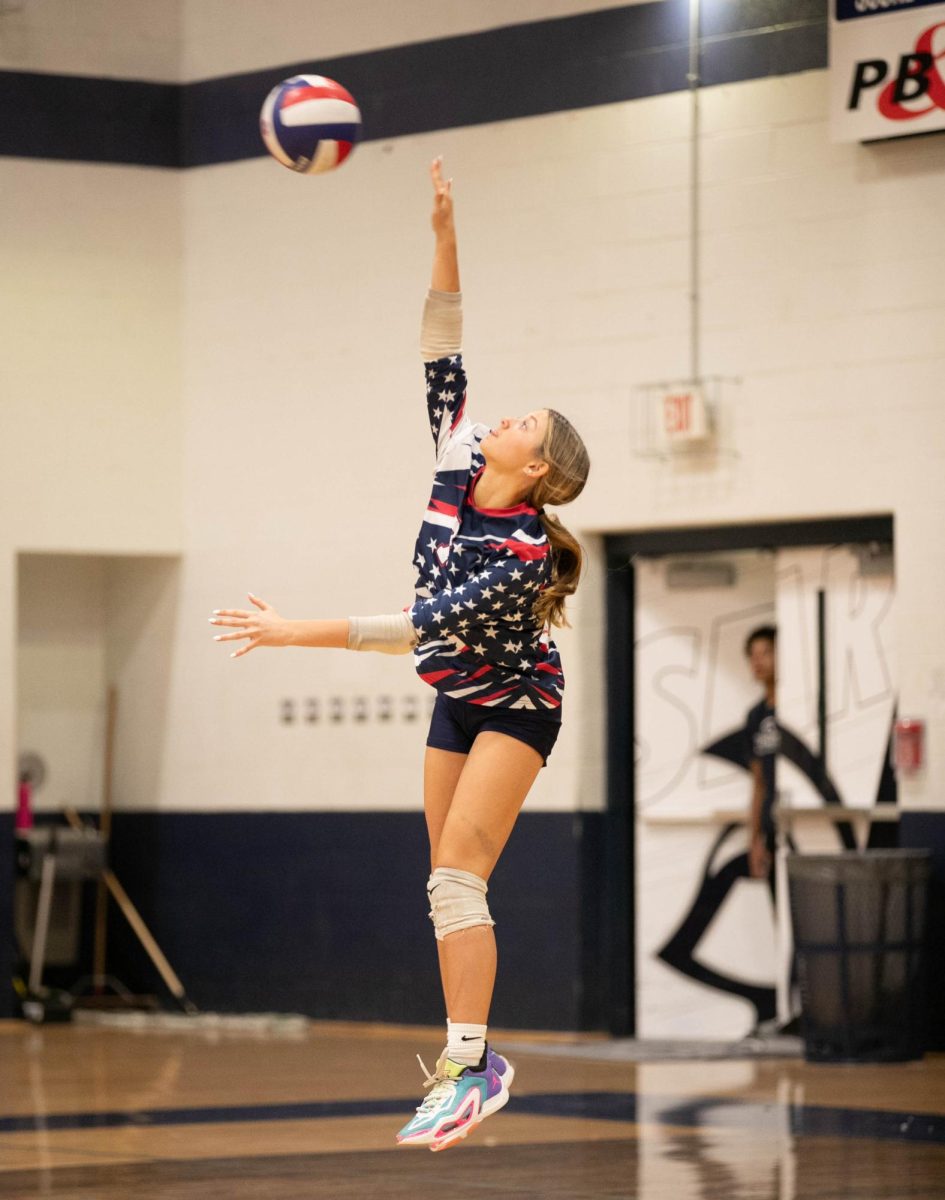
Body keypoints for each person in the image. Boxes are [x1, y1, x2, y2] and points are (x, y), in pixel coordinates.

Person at [209, 158, 591, 1152]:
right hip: (452, 698)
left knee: (459, 879)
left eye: (523, 423)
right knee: (445, 884)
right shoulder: (462, 460)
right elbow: (441, 340)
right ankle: (468, 1058)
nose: (502, 417)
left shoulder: (517, 555)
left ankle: (472, 1068)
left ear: (537, 467)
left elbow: (416, 628)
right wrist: (442, 229)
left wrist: (296, 631)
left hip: (513, 705)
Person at [744, 625, 779, 882]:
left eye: (766, 652)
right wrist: (754, 839)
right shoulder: (755, 716)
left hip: (798, 823)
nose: (758, 661)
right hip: (771, 827)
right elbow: (758, 783)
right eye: (752, 655)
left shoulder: (796, 709)